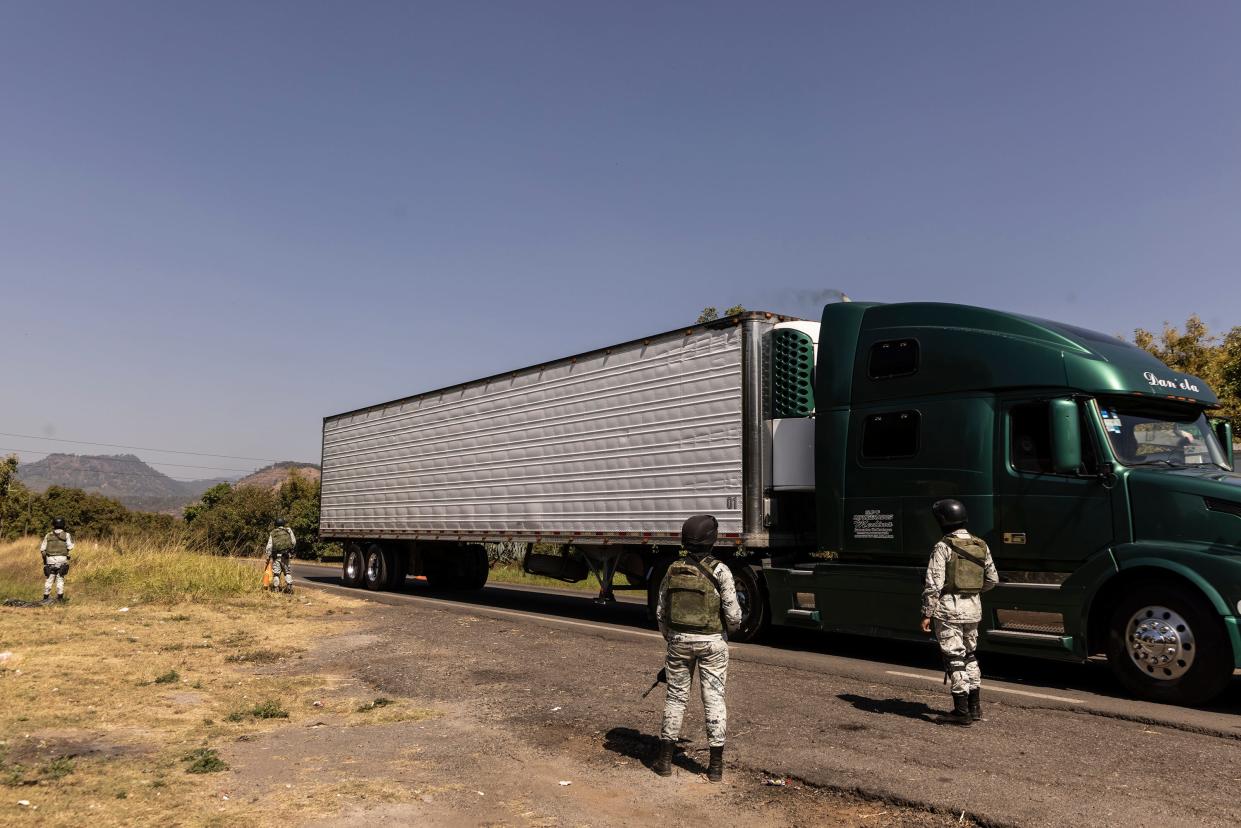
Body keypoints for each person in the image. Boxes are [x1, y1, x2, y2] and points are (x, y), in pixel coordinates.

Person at [652, 514, 742, 782]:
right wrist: (726, 632)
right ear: (712, 540)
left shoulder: (672, 570)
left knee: (676, 698)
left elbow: (660, 612)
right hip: (712, 642)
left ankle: (665, 761)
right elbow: (734, 615)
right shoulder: (721, 571)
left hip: (678, 642)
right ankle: (715, 769)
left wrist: (672, 638)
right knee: (713, 699)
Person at [921, 499, 999, 725]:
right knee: (970, 655)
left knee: (954, 658)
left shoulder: (943, 546)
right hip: (974, 608)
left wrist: (927, 612)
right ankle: (975, 708)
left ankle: (961, 712)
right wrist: (972, 592)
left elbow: (933, 584)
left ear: (942, 521)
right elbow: (992, 579)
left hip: (948, 609)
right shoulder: (981, 544)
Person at [40, 517, 73, 605]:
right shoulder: (67, 535)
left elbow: (42, 550)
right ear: (63, 524)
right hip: (62, 559)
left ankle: (45, 598)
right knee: (60, 578)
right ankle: (60, 599)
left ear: (54, 524)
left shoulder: (48, 535)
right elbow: (70, 547)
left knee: (49, 579)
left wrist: (45, 561)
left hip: (50, 560)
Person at [265, 519, 296, 593]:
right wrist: (290, 550)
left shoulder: (273, 533)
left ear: (276, 524)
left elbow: (269, 546)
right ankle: (289, 586)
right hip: (286, 555)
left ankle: (276, 588)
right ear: (283, 524)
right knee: (287, 572)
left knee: (276, 573)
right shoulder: (288, 531)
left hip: (276, 556)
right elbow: (294, 542)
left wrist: (268, 556)